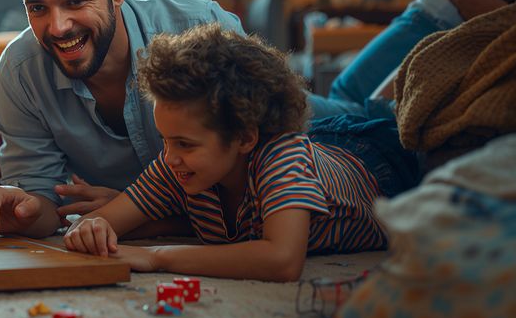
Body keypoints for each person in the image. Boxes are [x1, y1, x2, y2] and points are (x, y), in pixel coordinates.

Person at [0, 0, 243, 243]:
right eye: (37, 8)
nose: (58, 27)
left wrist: (131, 210)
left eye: (75, 1)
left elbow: (260, 179)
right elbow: (45, 206)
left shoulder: (202, 27)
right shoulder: (19, 71)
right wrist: (22, 209)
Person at [63, 24, 416, 281]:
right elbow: (103, 221)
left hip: (381, 161)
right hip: (324, 147)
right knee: (358, 97)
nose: (168, 157)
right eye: (165, 139)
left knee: (397, 105)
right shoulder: (179, 162)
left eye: (184, 143)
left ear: (245, 138)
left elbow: (281, 260)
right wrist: (91, 228)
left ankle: (435, 4)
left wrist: (157, 257)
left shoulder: (281, 154)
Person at [309, 0, 516, 119]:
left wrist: (495, 15)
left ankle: (281, 102)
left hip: (450, 30)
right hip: (425, 12)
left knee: (368, 115)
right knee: (344, 93)